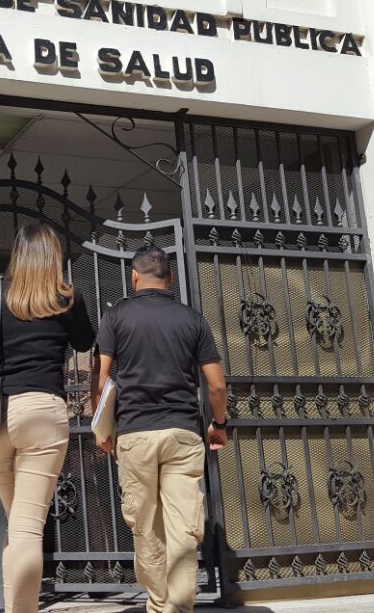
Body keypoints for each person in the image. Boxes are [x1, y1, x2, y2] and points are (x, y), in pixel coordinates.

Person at [0, 222, 96, 613]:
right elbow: (85, 341)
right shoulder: (67, 297)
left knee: (19, 523)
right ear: (54, 256)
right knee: (27, 528)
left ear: (18, 254)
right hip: (43, 412)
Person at [92, 245, 228, 613]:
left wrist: (102, 429)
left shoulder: (115, 317)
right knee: (184, 527)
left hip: (135, 433)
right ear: (170, 277)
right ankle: (178, 608)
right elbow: (216, 386)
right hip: (183, 432)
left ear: (134, 276)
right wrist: (220, 424)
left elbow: (100, 379)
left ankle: (158, 603)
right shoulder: (192, 319)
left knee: (146, 527)